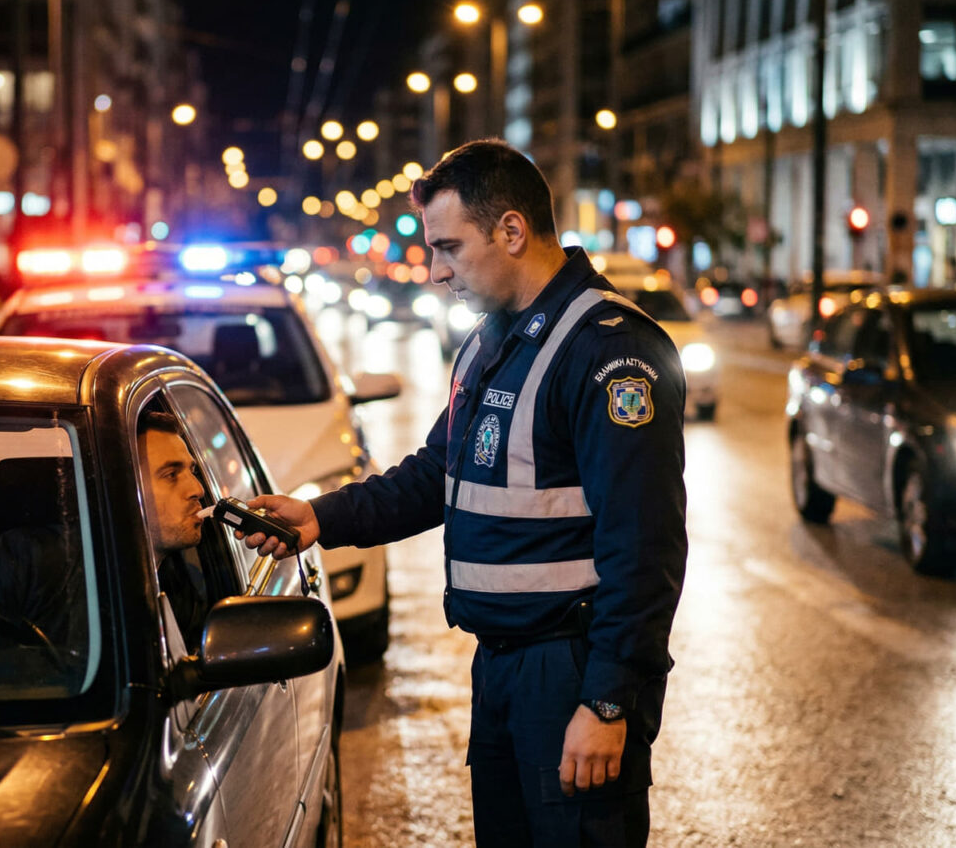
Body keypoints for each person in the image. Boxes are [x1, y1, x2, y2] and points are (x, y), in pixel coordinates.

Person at [236, 140, 687, 847]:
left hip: (568, 669)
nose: (437, 271)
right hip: (502, 668)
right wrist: (318, 517)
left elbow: (645, 548)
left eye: (448, 247)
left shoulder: (608, 351)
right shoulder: (488, 342)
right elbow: (433, 476)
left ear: (511, 231)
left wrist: (608, 701)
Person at [0, 407, 211, 650]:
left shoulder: (185, 584)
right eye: (171, 474)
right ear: (118, 488)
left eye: (192, 470)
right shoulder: (28, 559)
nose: (197, 489)